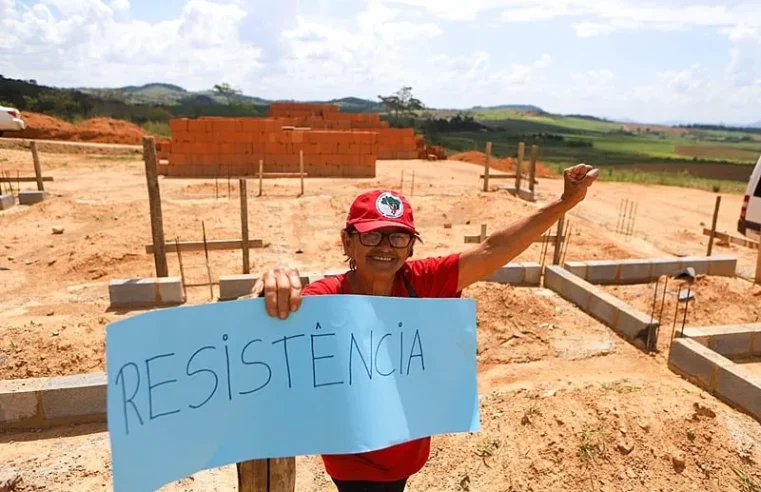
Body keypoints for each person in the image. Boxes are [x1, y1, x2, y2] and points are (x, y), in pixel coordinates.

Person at [246, 164, 599, 492]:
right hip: (350, 460)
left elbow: (495, 249)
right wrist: (273, 286)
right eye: (372, 236)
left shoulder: (426, 282)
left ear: (411, 246)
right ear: (347, 241)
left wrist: (563, 202)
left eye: (397, 238)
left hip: (407, 458)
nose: (385, 248)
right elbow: (279, 319)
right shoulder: (328, 297)